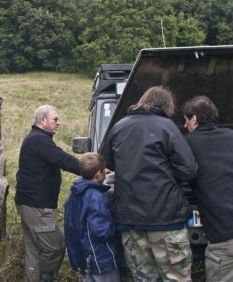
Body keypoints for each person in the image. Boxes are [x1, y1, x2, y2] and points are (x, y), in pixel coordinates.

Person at [102, 86, 197, 281]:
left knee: (144, 278)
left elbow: (106, 162)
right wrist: (168, 174)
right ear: (166, 106)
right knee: (177, 277)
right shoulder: (167, 126)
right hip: (166, 219)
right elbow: (189, 170)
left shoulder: (119, 126)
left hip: (130, 221)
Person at [15, 104, 81, 282]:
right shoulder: (38, 140)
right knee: (55, 247)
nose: (58, 123)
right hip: (36, 206)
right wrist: (91, 168)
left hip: (30, 203)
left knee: (34, 249)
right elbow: (63, 159)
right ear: (43, 120)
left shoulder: (38, 138)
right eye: (55, 119)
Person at [182, 95, 233, 282]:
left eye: (186, 120)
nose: (185, 125)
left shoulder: (188, 144)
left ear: (194, 119)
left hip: (224, 239)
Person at [64, 152, 121, 282]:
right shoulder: (97, 198)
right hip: (99, 258)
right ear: (98, 174)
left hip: (82, 257)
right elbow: (102, 231)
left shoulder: (75, 194)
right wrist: (117, 223)